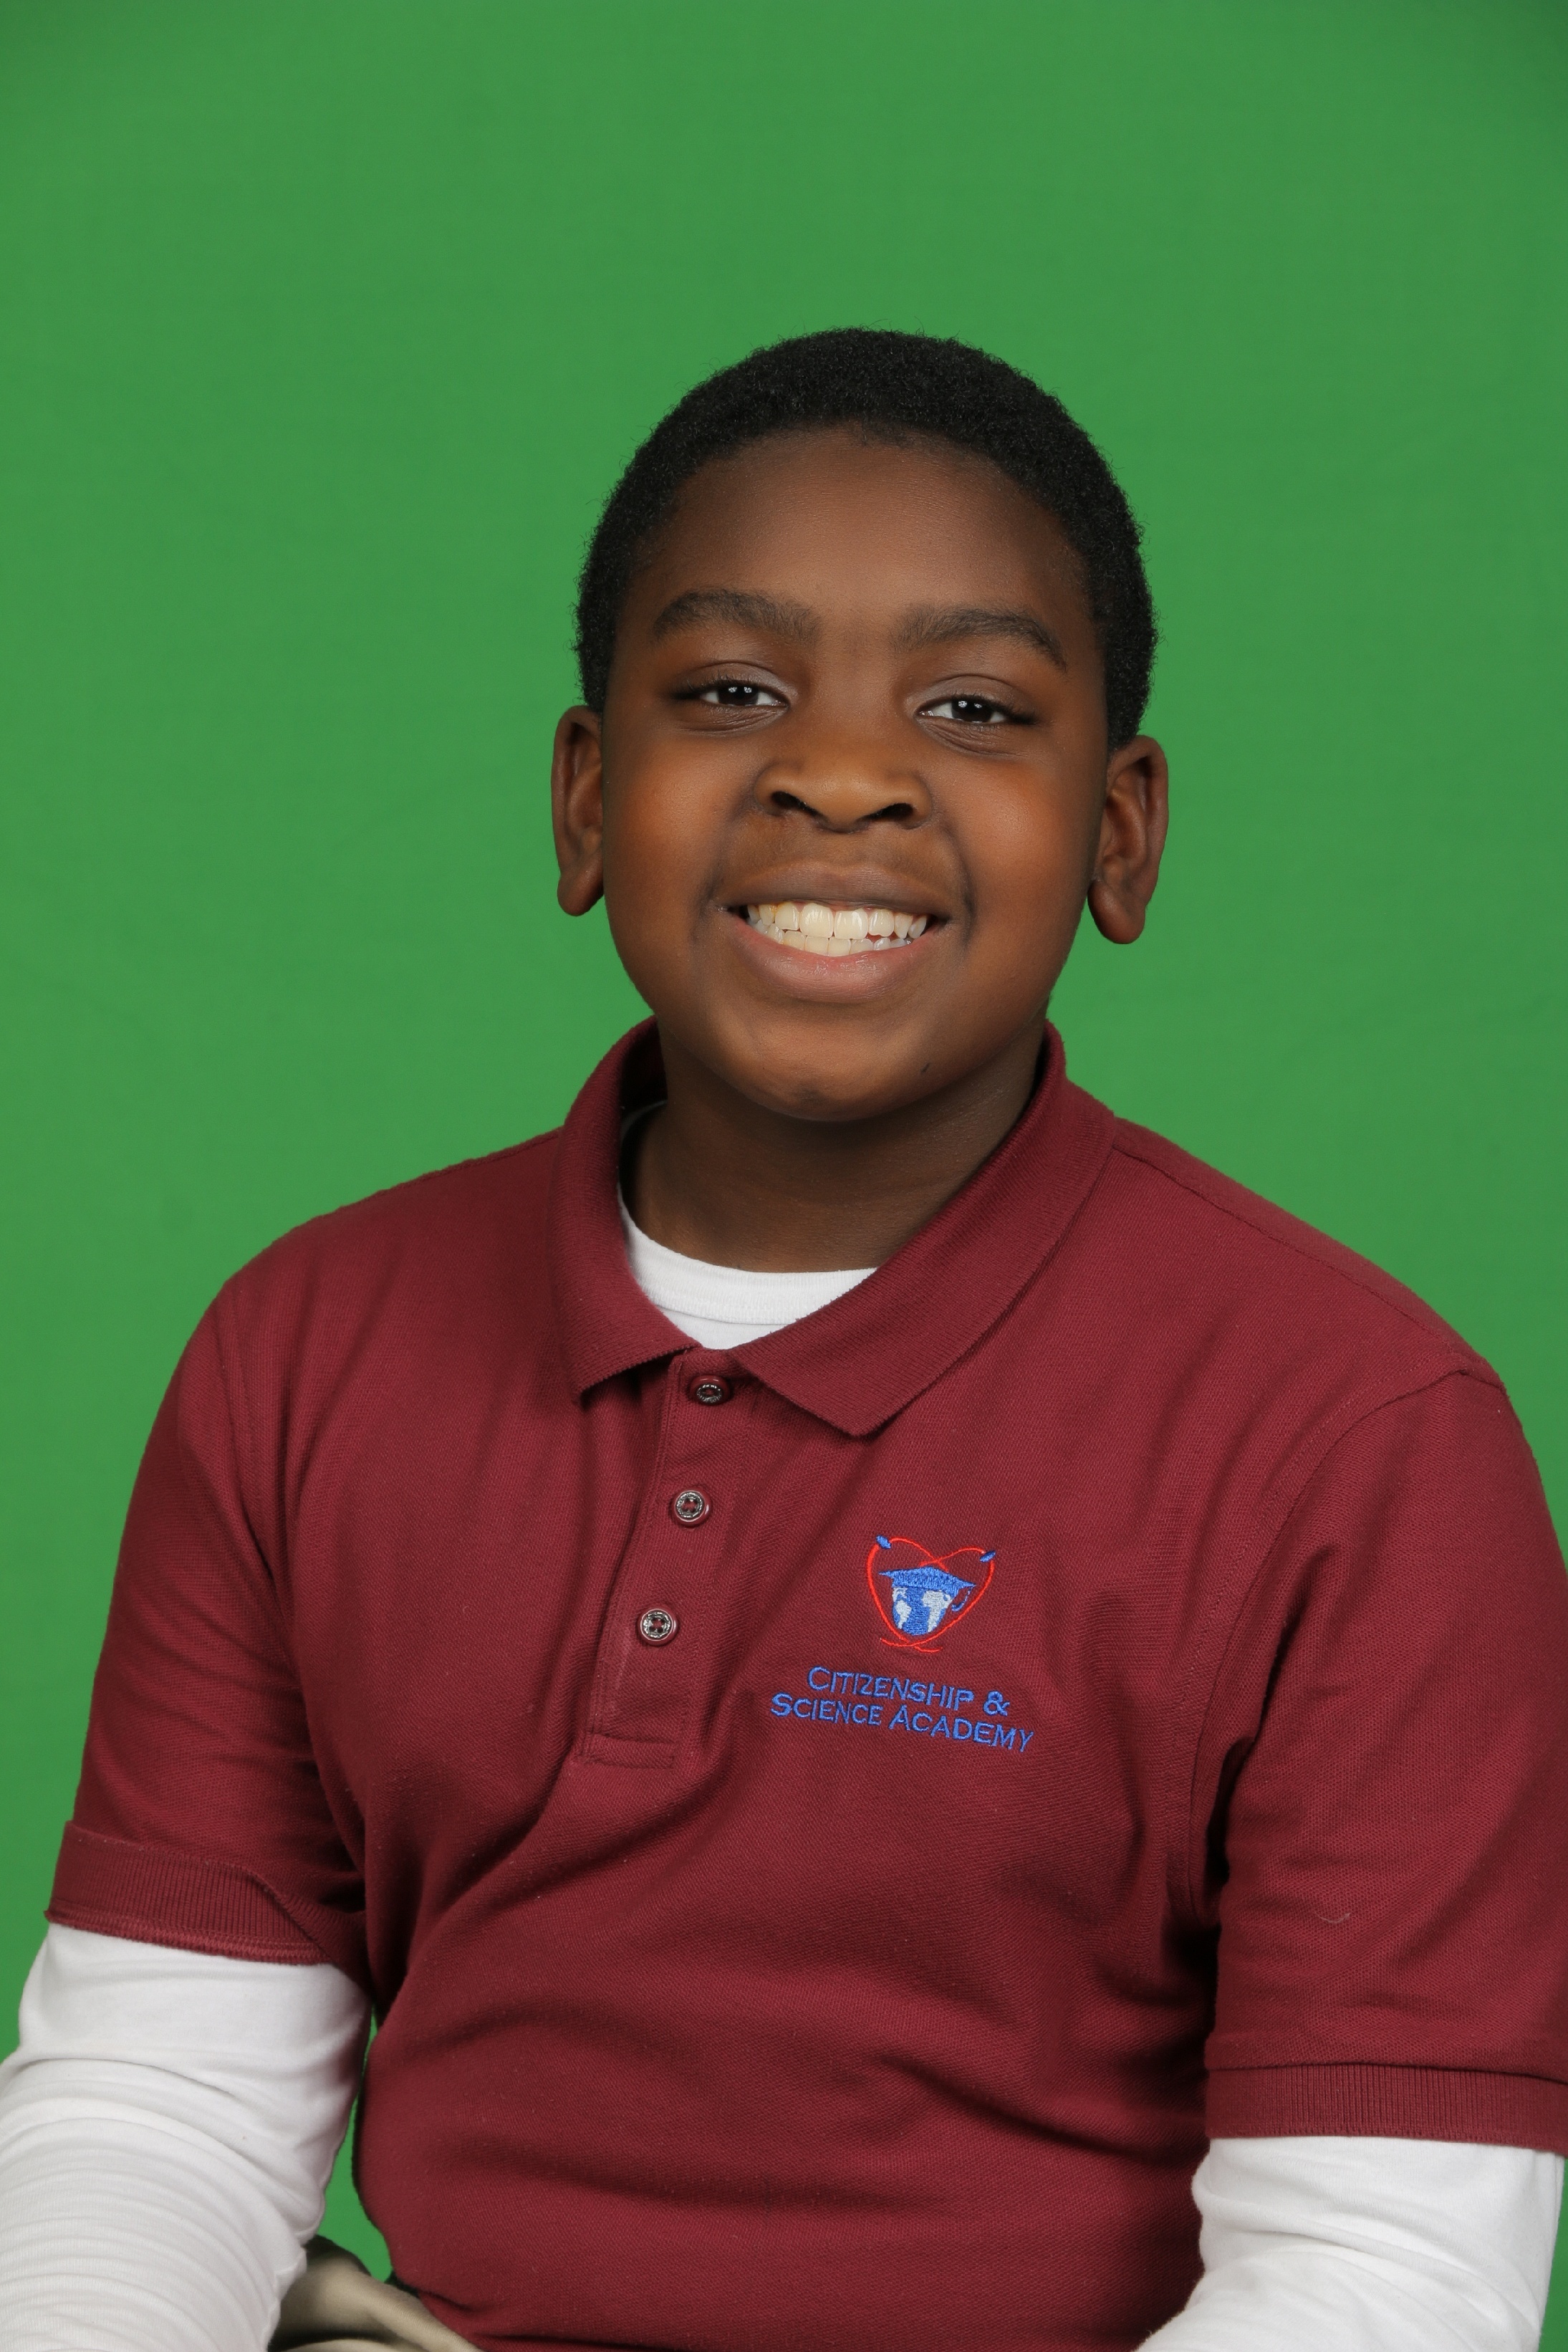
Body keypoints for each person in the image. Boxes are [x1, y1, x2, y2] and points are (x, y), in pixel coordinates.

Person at [1, 329, 1565, 2352]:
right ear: (587, 798)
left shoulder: (1359, 1437)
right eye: (734, 690)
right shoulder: (305, 1348)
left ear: (1121, 831)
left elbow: (1382, 2271)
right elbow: (163, 2094)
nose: (841, 772)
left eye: (973, 707)